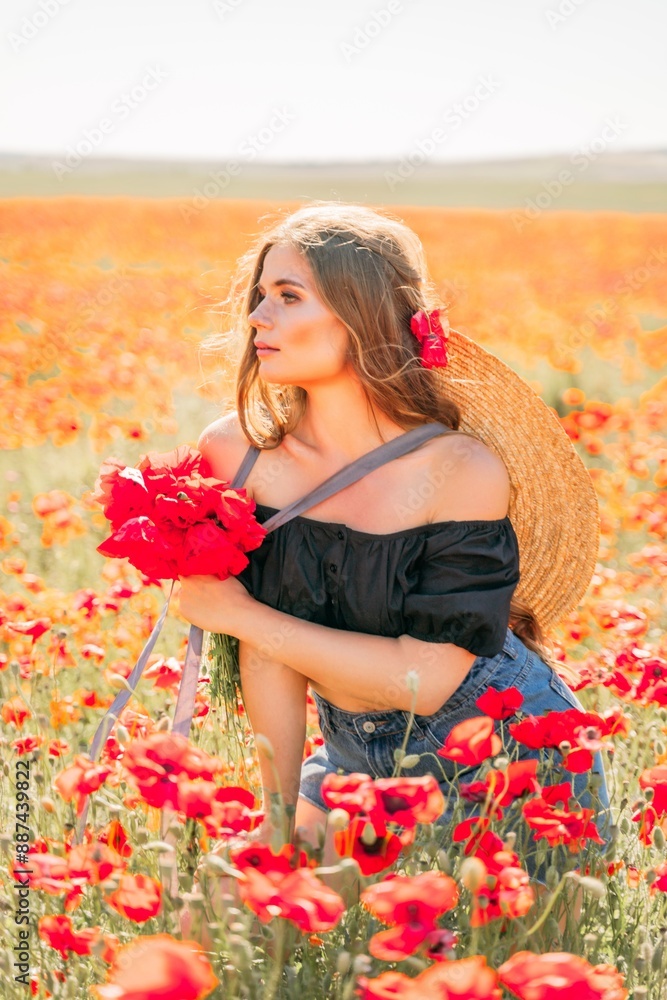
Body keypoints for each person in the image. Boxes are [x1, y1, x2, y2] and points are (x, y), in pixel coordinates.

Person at [176, 201, 610, 885]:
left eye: (288, 296)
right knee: (237, 905)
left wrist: (234, 613)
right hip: (353, 755)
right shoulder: (237, 454)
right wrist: (277, 820)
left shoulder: (457, 470)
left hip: (502, 756)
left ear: (363, 315)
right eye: (260, 296)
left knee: (492, 967)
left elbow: (427, 680)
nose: (258, 317)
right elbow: (269, 654)